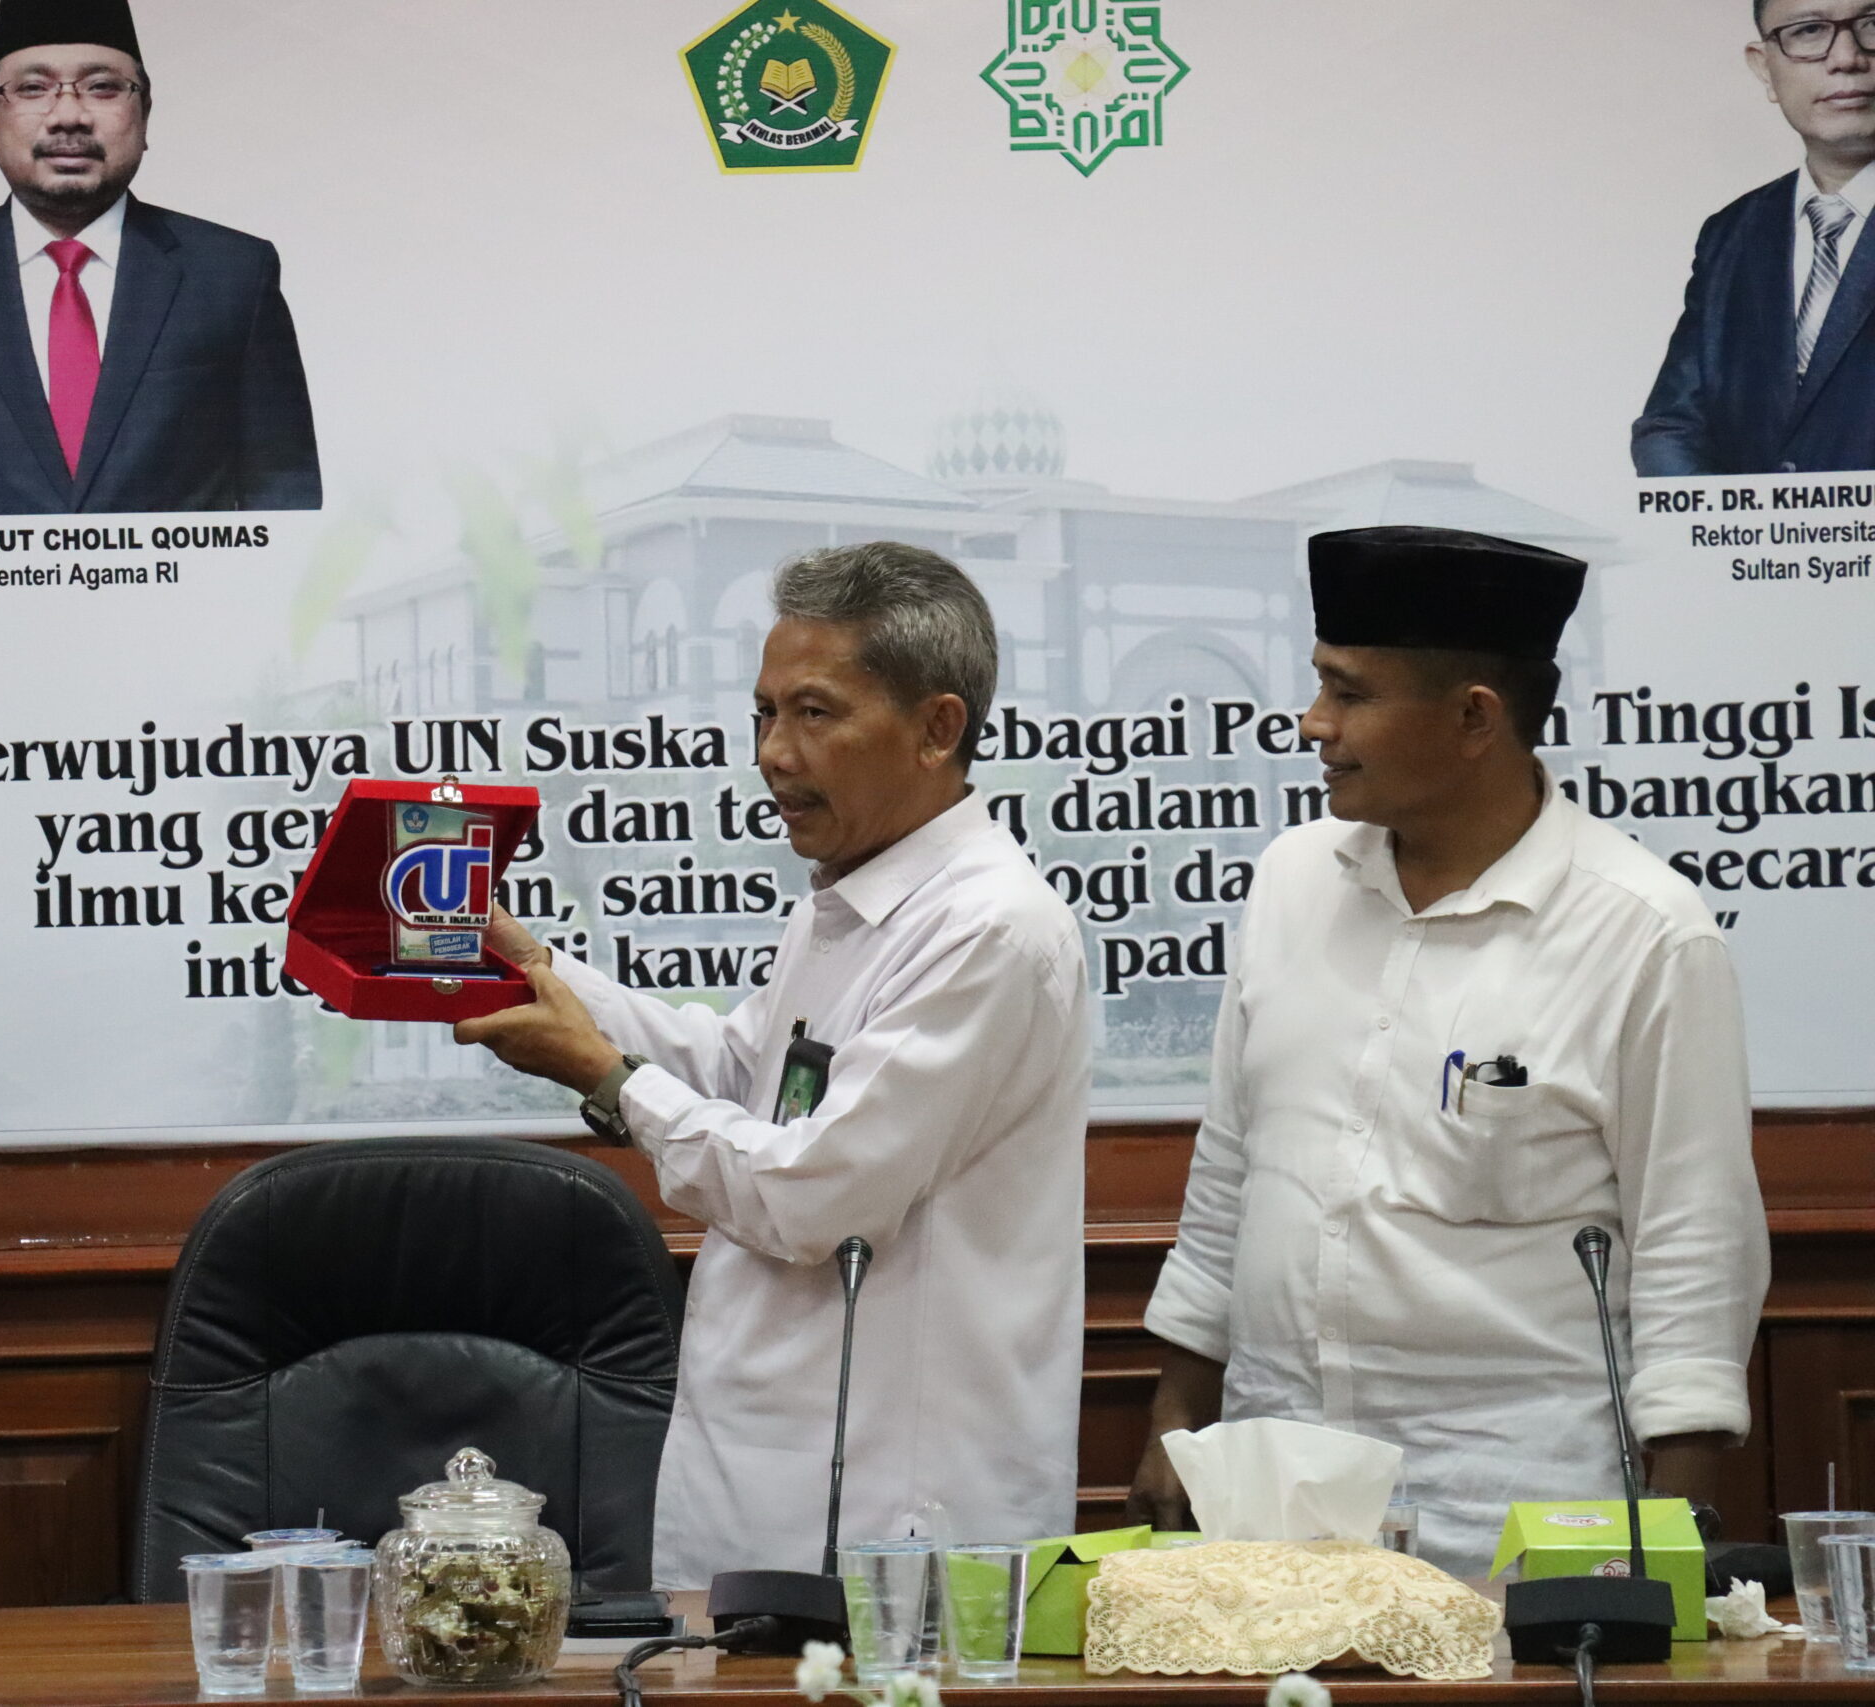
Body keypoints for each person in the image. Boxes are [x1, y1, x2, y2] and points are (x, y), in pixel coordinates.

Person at [1127, 526, 1771, 1578]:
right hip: (1272, 1501)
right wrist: (1176, 1413)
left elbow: (1694, 1250)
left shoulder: (1644, 933)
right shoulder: (1291, 880)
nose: (1314, 722)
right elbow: (1233, 1167)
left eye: (1349, 692)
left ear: (1475, 716)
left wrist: (1666, 1552)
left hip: (1513, 1528)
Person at [454, 542, 1088, 1588]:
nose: (773, 754)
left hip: (900, 1503)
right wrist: (539, 972)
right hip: (770, 1477)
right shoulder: (850, 898)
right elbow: (740, 1070)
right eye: (763, 713)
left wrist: (607, 1079)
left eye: (814, 713)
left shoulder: (988, 929)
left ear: (938, 728)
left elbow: (815, 1194)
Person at [0, 0, 321, 517]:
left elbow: (286, 498)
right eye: (32, 88)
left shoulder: (233, 274)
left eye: (102, 87)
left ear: (144, 114)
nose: (68, 116)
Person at [1634, 0, 1875, 475]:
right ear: (1765, 68)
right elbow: (1672, 424)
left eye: (1873, 24)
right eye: (1809, 31)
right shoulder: (1733, 233)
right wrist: (1728, 518)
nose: (1846, 57)